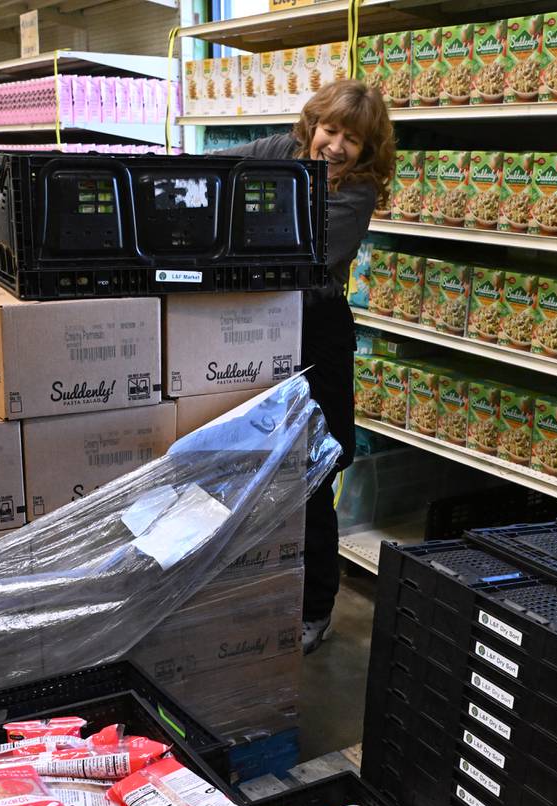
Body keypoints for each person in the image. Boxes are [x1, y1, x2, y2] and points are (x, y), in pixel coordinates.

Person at [223, 79, 395, 654]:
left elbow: (305, 251)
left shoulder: (358, 193)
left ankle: (316, 607)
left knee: (312, 470)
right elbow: (213, 166)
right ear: (312, 125)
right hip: (258, 327)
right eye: (330, 130)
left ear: (367, 150)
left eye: (353, 139)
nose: (336, 145)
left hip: (315, 336)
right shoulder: (283, 151)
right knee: (252, 461)